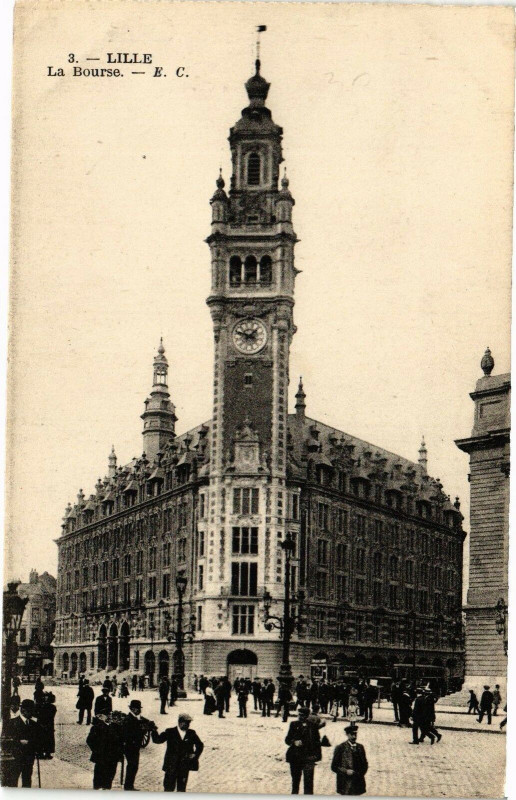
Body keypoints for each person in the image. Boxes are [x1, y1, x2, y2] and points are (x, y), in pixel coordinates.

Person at [152, 712, 204, 792]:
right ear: (180, 722)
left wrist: (195, 754)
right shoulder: (170, 732)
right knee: (168, 788)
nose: (187, 725)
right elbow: (157, 740)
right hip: (171, 766)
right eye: (185, 723)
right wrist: (153, 730)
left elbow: (200, 745)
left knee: (181, 789)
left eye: (188, 723)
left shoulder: (191, 733)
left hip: (184, 766)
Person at [1, 698, 43, 787]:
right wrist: (19, 742)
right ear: (23, 710)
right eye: (31, 710)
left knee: (27, 781)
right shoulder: (11, 723)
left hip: (29, 758)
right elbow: (5, 741)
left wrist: (37, 749)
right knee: (12, 781)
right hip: (15, 758)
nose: (33, 713)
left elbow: (38, 740)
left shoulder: (34, 724)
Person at [285, 706, 322, 795]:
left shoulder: (313, 726)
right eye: (299, 715)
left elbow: (317, 742)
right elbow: (287, 739)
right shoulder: (293, 724)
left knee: (309, 784)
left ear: (307, 716)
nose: (300, 717)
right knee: (295, 783)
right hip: (295, 757)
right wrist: (294, 742)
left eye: (302, 715)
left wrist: (317, 757)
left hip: (308, 758)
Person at [122, 699, 154, 791]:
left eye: (139, 708)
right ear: (132, 709)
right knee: (132, 765)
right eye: (137, 708)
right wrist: (143, 729)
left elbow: (141, 725)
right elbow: (132, 733)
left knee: (134, 766)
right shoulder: (129, 719)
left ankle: (129, 785)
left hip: (135, 747)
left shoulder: (137, 718)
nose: (139, 710)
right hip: (130, 747)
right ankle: (128, 786)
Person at [86, 714, 124, 790]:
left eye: (109, 715)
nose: (109, 717)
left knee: (110, 775)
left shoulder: (116, 727)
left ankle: (106, 789)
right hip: (101, 757)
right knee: (99, 775)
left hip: (113, 757)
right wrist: (97, 751)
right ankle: (97, 789)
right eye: (105, 715)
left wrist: (120, 753)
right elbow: (90, 740)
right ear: (100, 717)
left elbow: (121, 741)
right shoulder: (96, 728)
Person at [331, 723, 368, 795]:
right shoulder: (340, 748)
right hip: (345, 782)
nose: (354, 737)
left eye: (355, 734)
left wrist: (360, 774)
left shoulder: (360, 747)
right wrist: (345, 771)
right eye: (352, 734)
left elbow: (365, 764)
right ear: (347, 735)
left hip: (358, 782)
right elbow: (334, 766)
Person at [37, 692, 57, 759]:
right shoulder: (42, 706)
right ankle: (42, 753)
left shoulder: (52, 707)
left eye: (47, 698)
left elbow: (51, 716)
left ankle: (46, 753)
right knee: (43, 739)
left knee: (47, 739)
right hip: (44, 724)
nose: (45, 699)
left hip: (46, 724)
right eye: (45, 697)